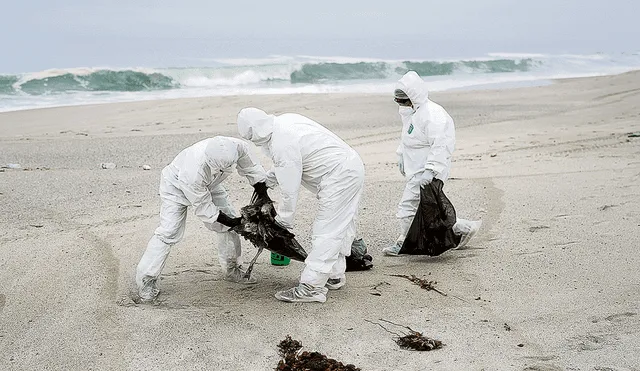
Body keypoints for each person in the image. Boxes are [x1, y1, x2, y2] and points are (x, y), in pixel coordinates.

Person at [237, 107, 365, 303]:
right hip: (350, 167)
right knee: (341, 226)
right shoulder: (285, 121)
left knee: (327, 230)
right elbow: (287, 164)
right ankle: (334, 274)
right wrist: (266, 181)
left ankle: (311, 287)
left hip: (339, 176)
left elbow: (290, 188)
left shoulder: (281, 143)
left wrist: (283, 222)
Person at [135, 136, 269, 301]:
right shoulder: (193, 171)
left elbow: (252, 169)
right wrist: (235, 223)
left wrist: (264, 197)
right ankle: (147, 280)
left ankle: (233, 269)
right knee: (169, 232)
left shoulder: (237, 147)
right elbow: (205, 208)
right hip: (175, 186)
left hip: (210, 184)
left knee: (226, 225)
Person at [383, 71, 482, 256]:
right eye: (399, 101)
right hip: (416, 170)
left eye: (404, 101)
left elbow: (442, 145)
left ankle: (404, 241)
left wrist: (431, 170)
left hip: (427, 171)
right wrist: (401, 156)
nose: (402, 105)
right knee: (431, 210)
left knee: (407, 208)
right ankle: (465, 228)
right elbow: (407, 138)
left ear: (415, 96)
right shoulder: (413, 113)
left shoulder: (433, 115)